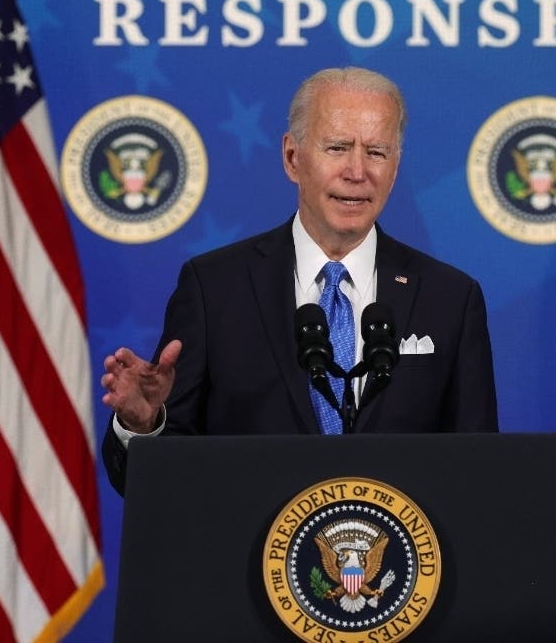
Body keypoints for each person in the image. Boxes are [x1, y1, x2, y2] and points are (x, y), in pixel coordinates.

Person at [100, 66, 498, 495]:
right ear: (293, 157)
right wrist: (144, 427)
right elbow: (158, 486)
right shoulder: (214, 289)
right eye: (338, 148)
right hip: (250, 558)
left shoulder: (450, 299)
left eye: (377, 153)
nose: (357, 172)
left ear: (396, 167)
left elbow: (477, 477)